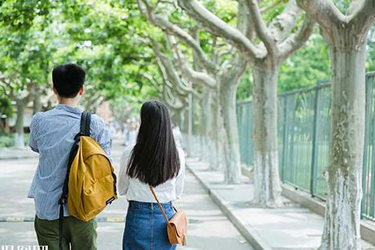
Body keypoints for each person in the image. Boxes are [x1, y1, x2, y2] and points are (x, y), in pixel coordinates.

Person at [28, 63, 111, 250]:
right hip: (83, 207)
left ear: (54, 89)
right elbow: (105, 163)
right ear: (81, 90)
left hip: (47, 209)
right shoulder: (96, 124)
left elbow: (35, 146)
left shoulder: (39, 121)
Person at [118, 100, 186, 250]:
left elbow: (122, 189)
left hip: (137, 217)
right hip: (166, 217)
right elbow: (177, 192)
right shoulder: (178, 155)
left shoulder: (130, 153)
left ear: (143, 123)